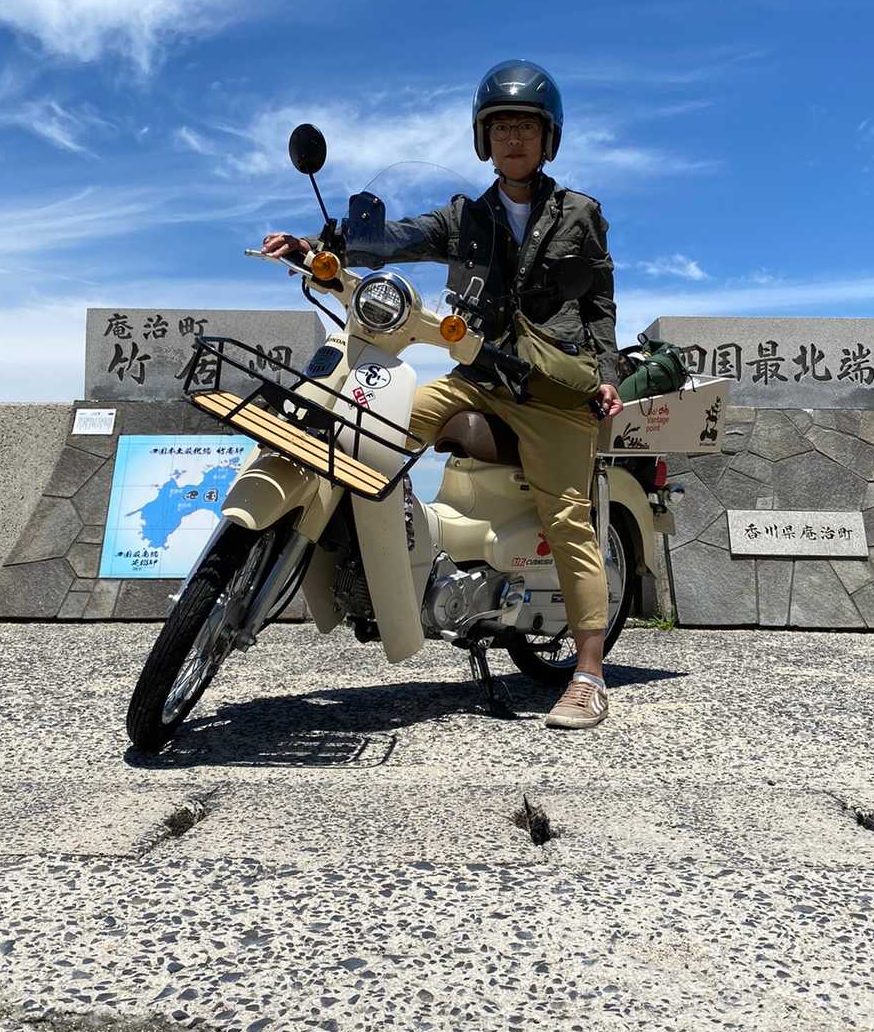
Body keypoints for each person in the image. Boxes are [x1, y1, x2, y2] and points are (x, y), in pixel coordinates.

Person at [262, 60, 624, 730]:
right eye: (501, 126)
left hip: (551, 390)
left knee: (569, 521)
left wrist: (606, 373)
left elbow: (599, 302)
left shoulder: (580, 213)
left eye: (526, 126)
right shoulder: (468, 215)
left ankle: (588, 675)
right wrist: (315, 246)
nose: (513, 138)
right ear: (484, 139)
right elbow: (396, 237)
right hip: (478, 377)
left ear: (549, 137)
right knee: (370, 421)